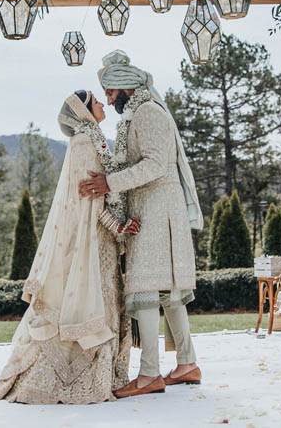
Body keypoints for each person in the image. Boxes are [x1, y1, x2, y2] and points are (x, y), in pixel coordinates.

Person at [0, 90, 139, 404]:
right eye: (96, 103)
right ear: (84, 113)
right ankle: (70, 379)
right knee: (88, 301)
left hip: (97, 238)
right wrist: (119, 227)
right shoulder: (87, 143)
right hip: (93, 240)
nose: (102, 104)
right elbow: (91, 200)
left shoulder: (90, 139)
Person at [79, 51, 204, 398]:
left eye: (109, 91)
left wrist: (109, 183)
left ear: (123, 87)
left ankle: (150, 374)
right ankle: (187, 364)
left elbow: (154, 165)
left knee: (147, 289)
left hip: (156, 207)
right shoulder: (140, 113)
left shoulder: (148, 112)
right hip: (155, 206)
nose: (107, 98)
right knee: (168, 291)